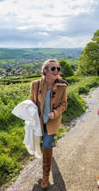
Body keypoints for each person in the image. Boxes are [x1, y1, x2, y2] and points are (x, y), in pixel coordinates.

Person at [29, 59, 68, 189]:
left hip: (51, 121)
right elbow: (31, 99)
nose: (56, 71)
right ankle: (48, 151)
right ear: (45, 70)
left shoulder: (62, 87)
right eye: (53, 68)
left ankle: (45, 177)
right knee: (43, 142)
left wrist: (55, 113)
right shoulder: (35, 84)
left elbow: (64, 104)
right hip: (39, 121)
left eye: (58, 69)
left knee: (46, 144)